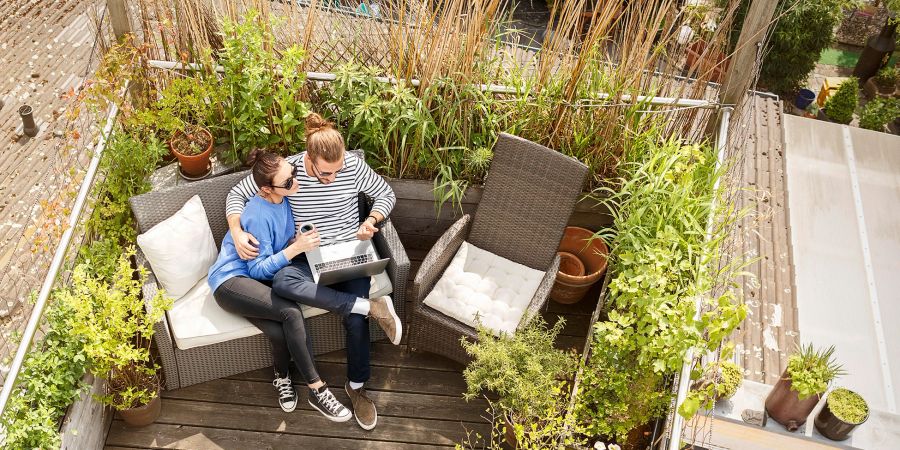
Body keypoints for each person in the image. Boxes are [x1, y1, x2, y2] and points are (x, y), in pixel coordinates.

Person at [225, 113, 401, 431]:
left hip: (349, 252)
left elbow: (386, 194)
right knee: (281, 280)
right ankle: (370, 306)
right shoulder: (288, 173)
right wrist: (236, 231)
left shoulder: (352, 166)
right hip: (308, 257)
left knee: (355, 320)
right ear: (308, 159)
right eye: (325, 173)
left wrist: (372, 220)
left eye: (337, 171)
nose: (333, 178)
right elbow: (238, 194)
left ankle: (357, 389)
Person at [208, 149, 351, 422]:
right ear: (265, 189)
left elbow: (272, 250)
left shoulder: (284, 200)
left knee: (279, 330)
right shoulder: (258, 213)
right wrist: (295, 249)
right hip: (230, 282)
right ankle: (317, 390)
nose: (294, 182)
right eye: (287, 182)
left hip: (253, 284)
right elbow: (256, 267)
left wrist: (293, 242)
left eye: (293, 175)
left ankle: (282, 376)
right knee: (291, 312)